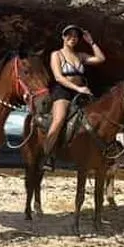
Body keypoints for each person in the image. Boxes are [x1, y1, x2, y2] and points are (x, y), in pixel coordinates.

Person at [42, 24, 106, 171]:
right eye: (69, 35)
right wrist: (78, 88)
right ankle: (47, 155)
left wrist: (91, 42)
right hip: (63, 92)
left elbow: (100, 59)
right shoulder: (56, 54)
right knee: (59, 120)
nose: (73, 38)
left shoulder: (80, 55)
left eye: (76, 36)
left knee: (100, 116)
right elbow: (58, 77)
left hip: (81, 92)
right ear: (63, 37)